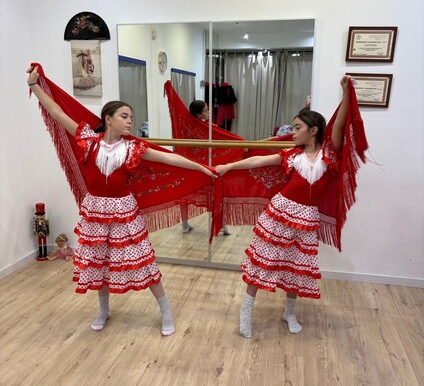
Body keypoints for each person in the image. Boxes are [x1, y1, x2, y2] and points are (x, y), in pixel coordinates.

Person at [26, 65, 216, 335]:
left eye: (131, 117)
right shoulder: (87, 140)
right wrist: (34, 85)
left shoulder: (134, 148)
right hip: (95, 210)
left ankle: (165, 311)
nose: (130, 121)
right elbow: (57, 113)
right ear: (108, 119)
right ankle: (104, 310)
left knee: (143, 261)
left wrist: (201, 168)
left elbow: (170, 158)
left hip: (124, 212)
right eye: (124, 116)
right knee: (100, 262)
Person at [215, 75, 356, 337]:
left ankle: (289, 312)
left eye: (297, 127)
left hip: (307, 218)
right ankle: (246, 309)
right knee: (263, 261)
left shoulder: (330, 154)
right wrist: (229, 166)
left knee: (297, 265)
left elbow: (340, 125)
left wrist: (346, 94)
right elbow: (256, 162)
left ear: (313, 131)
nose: (292, 132)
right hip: (281, 213)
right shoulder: (289, 155)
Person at [180, 99, 231, 235]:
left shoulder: (188, 128)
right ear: (198, 115)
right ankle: (222, 226)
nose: (209, 113)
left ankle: (186, 225)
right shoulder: (205, 128)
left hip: (194, 166)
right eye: (206, 111)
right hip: (199, 167)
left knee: (187, 196)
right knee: (214, 194)